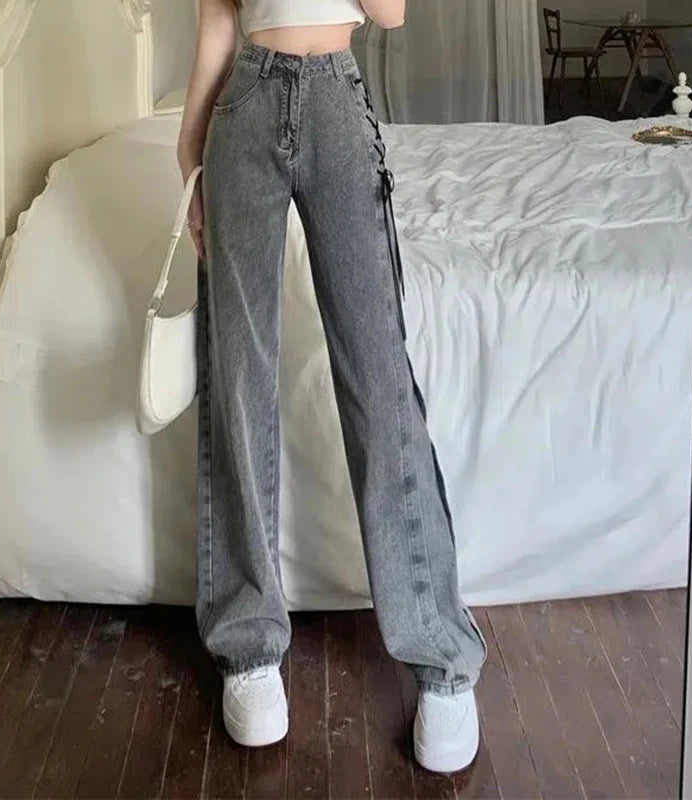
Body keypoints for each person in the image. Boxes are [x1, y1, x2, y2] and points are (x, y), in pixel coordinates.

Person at [177, 0, 487, 774]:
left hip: (336, 101)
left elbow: (391, 13)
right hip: (243, 106)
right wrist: (188, 154)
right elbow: (218, 22)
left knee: (378, 381)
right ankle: (248, 647)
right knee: (239, 379)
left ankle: (441, 656)